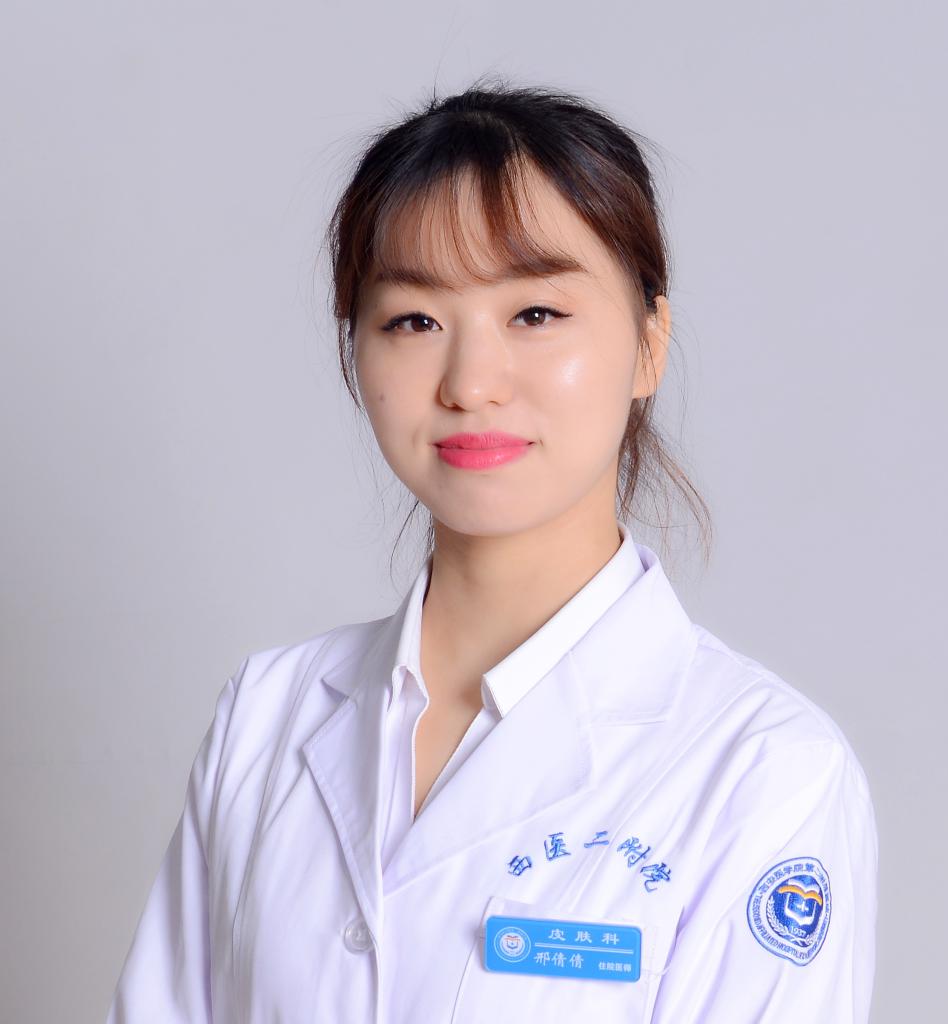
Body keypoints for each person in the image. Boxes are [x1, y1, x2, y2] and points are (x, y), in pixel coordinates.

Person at [105, 79, 878, 1023]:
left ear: (649, 344)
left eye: (535, 314)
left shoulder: (764, 773)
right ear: (356, 355)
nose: (471, 383)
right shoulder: (266, 716)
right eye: (414, 321)